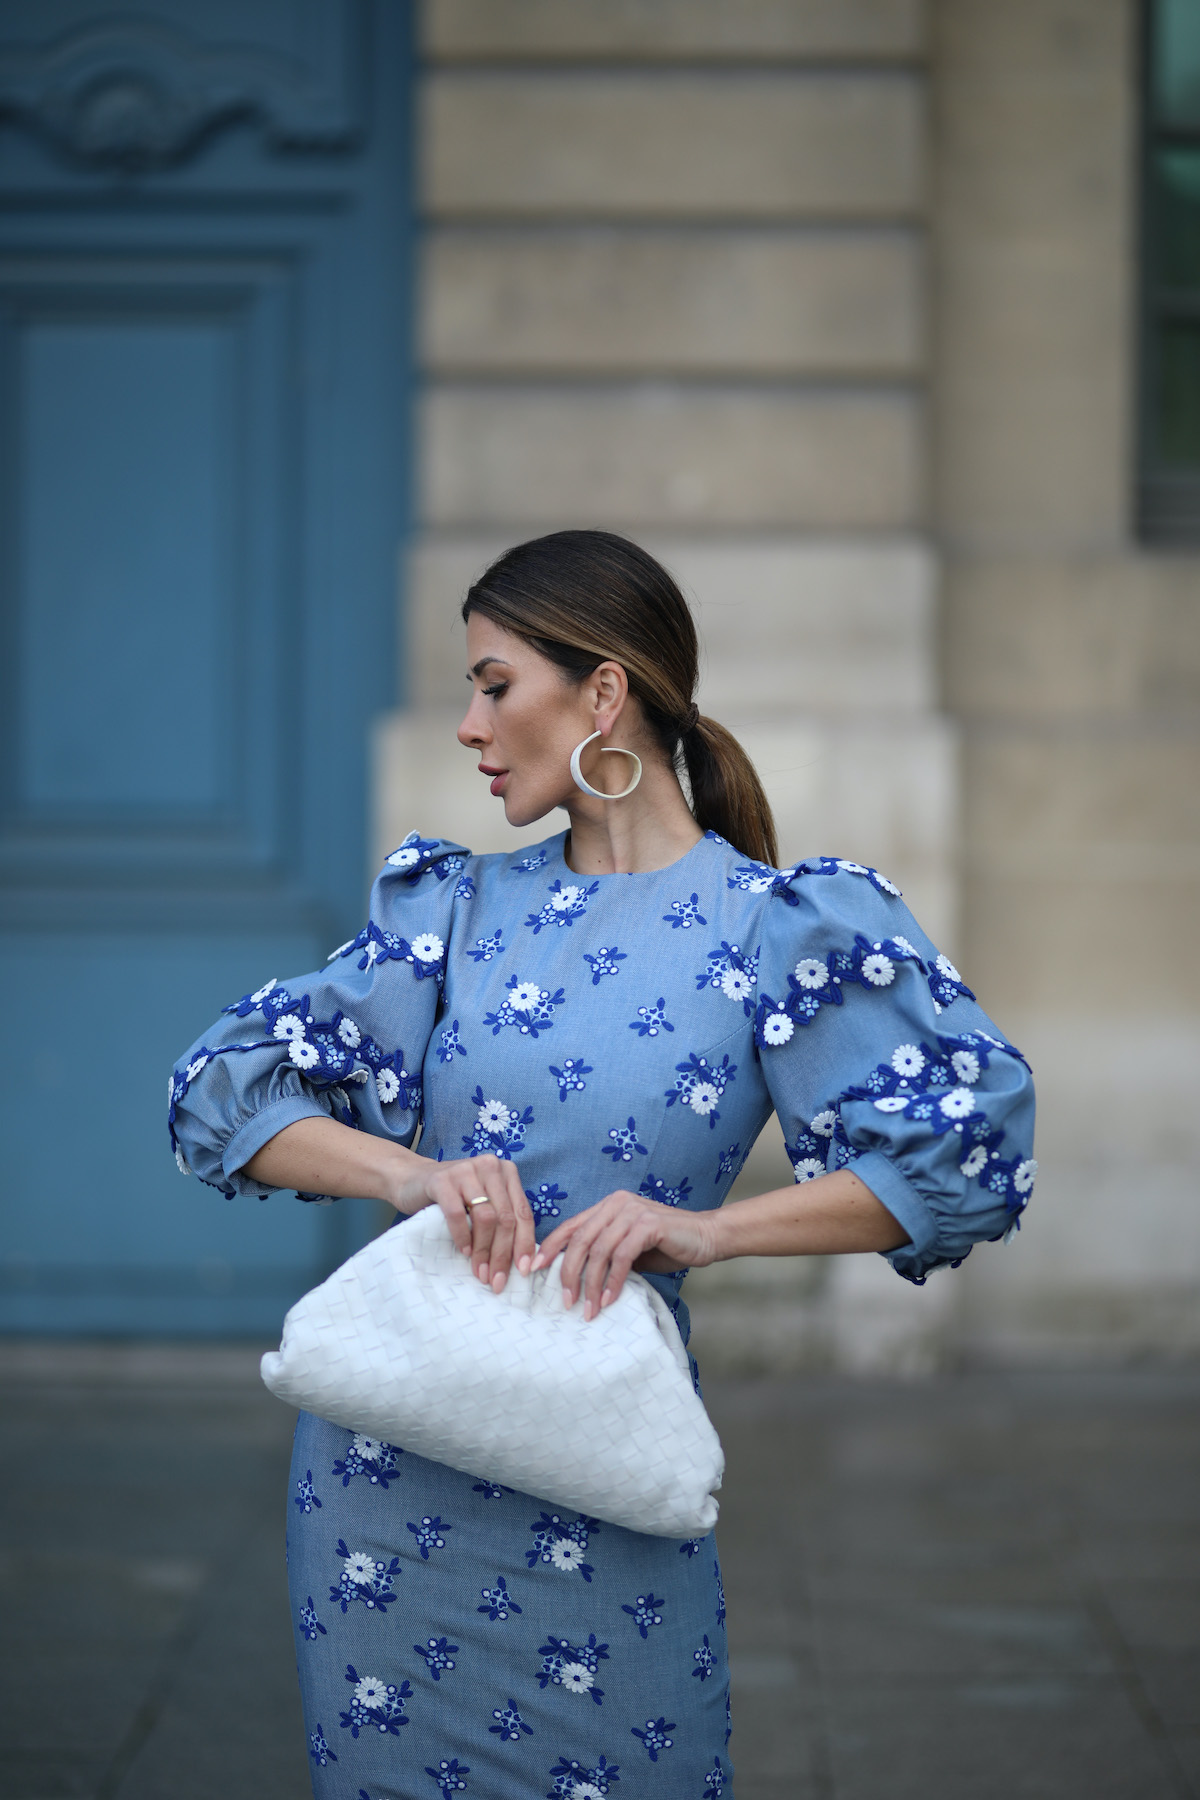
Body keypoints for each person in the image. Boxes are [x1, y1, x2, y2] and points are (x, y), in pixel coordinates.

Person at [169, 529, 1036, 1799]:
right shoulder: (451, 910)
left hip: (613, 1475)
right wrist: (409, 1178)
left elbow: (970, 1151)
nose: (470, 724)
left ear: (604, 693)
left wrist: (710, 1231)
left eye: (495, 683)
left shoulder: (780, 927)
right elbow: (219, 1089)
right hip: (389, 1499)